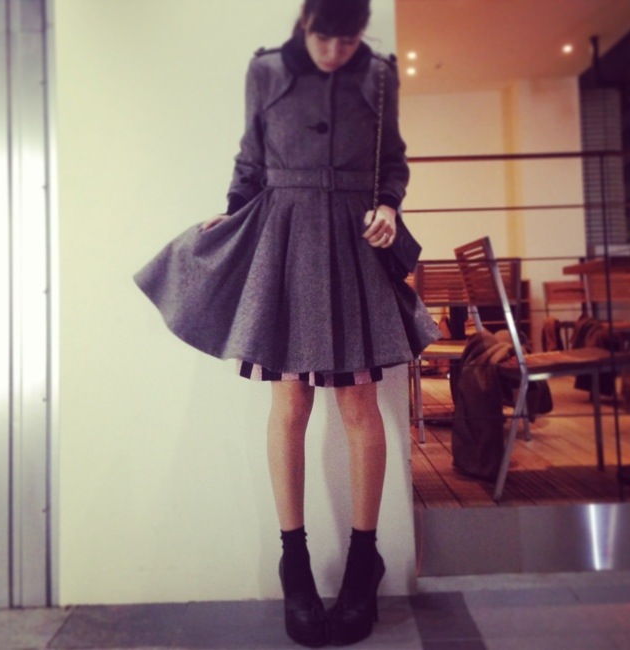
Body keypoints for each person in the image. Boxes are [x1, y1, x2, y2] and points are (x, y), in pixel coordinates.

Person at [135, 0, 439, 645]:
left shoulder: (379, 76)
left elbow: (392, 162)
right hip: (285, 238)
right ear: (306, 25)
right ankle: (293, 564)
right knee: (291, 400)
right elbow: (251, 157)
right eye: (326, 38)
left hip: (353, 241)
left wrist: (388, 205)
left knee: (359, 403)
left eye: (348, 40)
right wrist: (234, 211)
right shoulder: (267, 71)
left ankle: (364, 562)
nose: (335, 52)